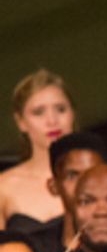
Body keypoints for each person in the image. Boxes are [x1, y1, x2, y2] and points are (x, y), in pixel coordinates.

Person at [0, 70, 77, 234]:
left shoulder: (96, 177)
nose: (52, 120)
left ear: (72, 114)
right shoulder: (4, 186)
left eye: (61, 109)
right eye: (38, 112)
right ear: (21, 122)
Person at [23, 130, 107, 252]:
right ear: (54, 186)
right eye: (73, 175)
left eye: (93, 174)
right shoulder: (33, 249)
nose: (84, 184)